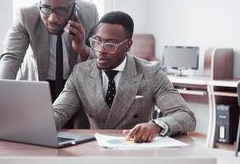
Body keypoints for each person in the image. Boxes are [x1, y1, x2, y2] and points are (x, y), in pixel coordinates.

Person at [0, 0, 98, 131]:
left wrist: (82, 48)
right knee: (35, 137)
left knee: (77, 140)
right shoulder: (27, 16)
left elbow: (98, 60)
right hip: (38, 87)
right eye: (46, 8)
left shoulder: (89, 14)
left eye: (61, 11)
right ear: (40, 1)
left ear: (73, 5)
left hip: (73, 88)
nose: (52, 18)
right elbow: (11, 57)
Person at [52, 11, 196, 142]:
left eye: (110, 44)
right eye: (97, 41)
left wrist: (156, 126)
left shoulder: (151, 73)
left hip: (135, 150)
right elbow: (59, 112)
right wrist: (38, 124)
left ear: (128, 45)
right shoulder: (80, 72)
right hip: (94, 149)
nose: (101, 50)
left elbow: (186, 116)